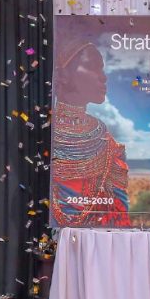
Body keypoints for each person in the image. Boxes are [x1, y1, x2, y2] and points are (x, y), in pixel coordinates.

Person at [50, 40, 131, 227]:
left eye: (101, 69)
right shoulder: (47, 130)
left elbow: (119, 212)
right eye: (92, 67)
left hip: (97, 238)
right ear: (63, 75)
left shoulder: (104, 137)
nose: (103, 77)